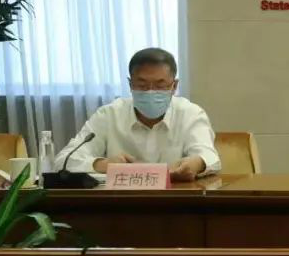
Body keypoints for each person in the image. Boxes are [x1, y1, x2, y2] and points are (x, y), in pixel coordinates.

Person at [54, 47, 221, 182]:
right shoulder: (109, 115)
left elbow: (210, 157)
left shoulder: (190, 114)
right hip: (119, 204)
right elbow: (64, 161)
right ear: (130, 84)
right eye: (142, 85)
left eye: (160, 85)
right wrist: (103, 164)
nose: (150, 92)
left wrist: (197, 163)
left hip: (175, 203)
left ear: (174, 86)